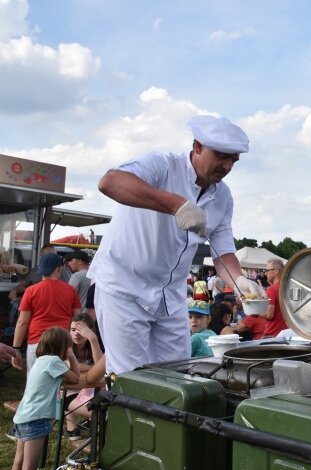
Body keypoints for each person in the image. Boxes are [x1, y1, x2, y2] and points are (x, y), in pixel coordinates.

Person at [87, 115, 264, 375]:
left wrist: (239, 280)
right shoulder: (163, 165)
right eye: (221, 156)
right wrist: (175, 204)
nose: (226, 166)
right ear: (198, 147)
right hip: (124, 286)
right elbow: (110, 182)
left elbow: (222, 250)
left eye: (233, 160)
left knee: (176, 373)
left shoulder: (223, 196)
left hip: (170, 296)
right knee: (129, 377)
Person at [9, 327, 80, 470]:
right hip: (36, 419)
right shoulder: (55, 361)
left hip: (23, 416)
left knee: (19, 462)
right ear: (62, 346)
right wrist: (71, 356)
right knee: (29, 468)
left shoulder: (41, 361)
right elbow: (76, 378)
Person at [13, 253, 81, 374]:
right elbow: (77, 318)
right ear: (59, 269)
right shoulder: (71, 290)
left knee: (34, 381)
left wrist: (16, 348)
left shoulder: (30, 291)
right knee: (60, 384)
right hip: (62, 342)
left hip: (37, 342)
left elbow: (22, 322)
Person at [64, 314, 104, 440]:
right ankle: (72, 428)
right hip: (67, 391)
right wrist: (93, 368)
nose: (76, 334)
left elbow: (102, 368)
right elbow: (68, 364)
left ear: (90, 331)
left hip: (88, 389)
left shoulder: (94, 345)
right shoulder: (65, 345)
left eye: (81, 330)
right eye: (73, 330)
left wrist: (93, 339)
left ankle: (87, 424)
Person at [260, 259, 288, 337]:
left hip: (272, 334)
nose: (265, 273)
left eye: (267, 270)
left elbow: (269, 315)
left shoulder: (271, 289)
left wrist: (255, 312)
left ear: (276, 271)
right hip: (285, 333)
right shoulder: (287, 287)